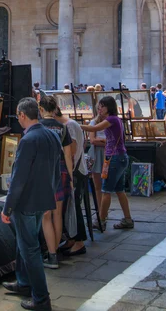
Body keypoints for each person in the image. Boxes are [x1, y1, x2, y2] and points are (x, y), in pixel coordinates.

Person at [1, 97, 61, 311]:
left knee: (30, 249)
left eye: (18, 116)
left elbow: (18, 179)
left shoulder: (28, 140)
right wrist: (50, 195)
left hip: (26, 202)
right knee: (25, 243)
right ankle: (24, 283)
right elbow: (56, 171)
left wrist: (8, 207)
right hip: (42, 199)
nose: (18, 119)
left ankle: (41, 299)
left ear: (23, 115)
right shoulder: (52, 135)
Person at [81, 96, 134, 232]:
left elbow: (93, 129)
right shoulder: (115, 120)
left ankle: (101, 220)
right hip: (118, 157)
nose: (100, 109)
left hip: (115, 158)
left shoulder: (111, 119)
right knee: (119, 190)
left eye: (102, 106)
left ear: (109, 107)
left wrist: (74, 124)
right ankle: (127, 219)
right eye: (99, 106)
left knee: (106, 191)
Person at [39, 96, 73, 269]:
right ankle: (56, 251)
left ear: (41, 109)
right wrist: (71, 175)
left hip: (44, 172)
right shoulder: (62, 128)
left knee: (46, 215)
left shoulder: (38, 127)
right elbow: (68, 154)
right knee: (58, 214)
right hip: (60, 170)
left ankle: (51, 254)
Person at [55, 114, 88, 256]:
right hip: (74, 170)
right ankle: (72, 238)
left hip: (74, 171)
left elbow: (72, 151)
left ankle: (79, 241)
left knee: (74, 207)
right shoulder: (70, 124)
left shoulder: (68, 125)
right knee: (70, 206)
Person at [88, 112, 106, 221]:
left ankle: (103, 212)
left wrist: (100, 140)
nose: (101, 111)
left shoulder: (111, 122)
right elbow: (92, 140)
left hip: (107, 153)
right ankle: (100, 211)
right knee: (97, 185)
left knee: (107, 186)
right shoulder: (94, 122)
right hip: (96, 153)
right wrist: (106, 141)